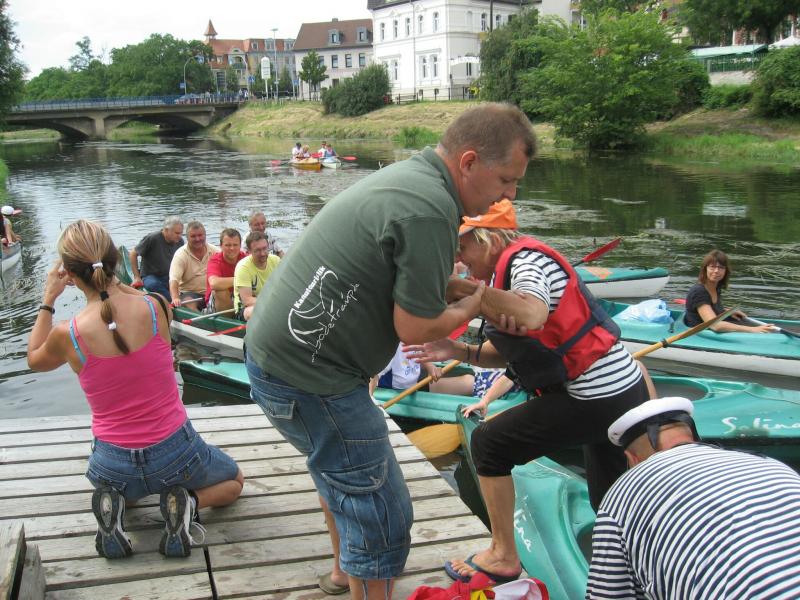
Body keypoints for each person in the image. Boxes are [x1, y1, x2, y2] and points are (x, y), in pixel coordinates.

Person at [244, 103, 536, 599]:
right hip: (310, 376)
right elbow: (415, 326)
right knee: (382, 511)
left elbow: (396, 275)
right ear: (469, 162)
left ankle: (345, 573)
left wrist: (456, 292)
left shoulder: (413, 179)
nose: (510, 194)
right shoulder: (431, 209)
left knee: (341, 476)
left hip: (277, 360)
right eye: (507, 179)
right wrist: (478, 301)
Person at [405, 199, 649, 585]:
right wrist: (459, 351)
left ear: (489, 239)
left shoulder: (526, 262)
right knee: (609, 498)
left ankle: (503, 555)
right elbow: (514, 351)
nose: (459, 257)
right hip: (616, 391)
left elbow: (532, 313)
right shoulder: (506, 274)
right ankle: (636, 566)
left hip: (594, 395)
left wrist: (468, 294)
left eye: (462, 247)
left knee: (489, 443)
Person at [26, 220, 243, 559]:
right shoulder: (156, 308)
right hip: (176, 454)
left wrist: (48, 298)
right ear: (113, 261)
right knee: (234, 481)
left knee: (124, 487)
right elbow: (139, 296)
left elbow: (34, 359)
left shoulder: (67, 334)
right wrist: (112, 280)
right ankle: (187, 502)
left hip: (112, 464)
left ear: (69, 273)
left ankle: (116, 500)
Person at [585, 396, 800, 599]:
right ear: (694, 437)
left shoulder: (622, 493)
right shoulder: (773, 465)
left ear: (632, 459)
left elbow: (608, 593)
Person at [683, 249, 775, 333]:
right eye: (712, 267)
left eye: (721, 267)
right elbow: (715, 325)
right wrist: (753, 329)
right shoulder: (699, 292)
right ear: (705, 269)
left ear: (725, 271)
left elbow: (711, 309)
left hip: (712, 330)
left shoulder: (716, 286)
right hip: (701, 335)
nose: (716, 271)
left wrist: (725, 312)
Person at [129, 216, 184, 299]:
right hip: (150, 276)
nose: (180, 236)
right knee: (153, 285)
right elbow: (133, 254)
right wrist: (137, 277)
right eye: (177, 233)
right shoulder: (152, 238)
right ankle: (172, 300)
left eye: (181, 233)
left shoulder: (180, 241)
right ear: (166, 230)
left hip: (170, 275)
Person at [168, 221, 218, 310]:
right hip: (190, 294)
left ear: (205, 235)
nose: (197, 239)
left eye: (200, 235)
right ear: (187, 238)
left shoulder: (215, 251)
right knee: (189, 301)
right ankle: (199, 318)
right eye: (193, 236)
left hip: (212, 292)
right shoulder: (180, 255)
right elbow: (174, 280)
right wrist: (175, 298)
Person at [233, 231, 280, 321]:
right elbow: (247, 300)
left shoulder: (276, 260)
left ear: (268, 246)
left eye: (264, 248)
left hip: (271, 304)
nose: (262, 253)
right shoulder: (243, 267)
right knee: (258, 311)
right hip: (246, 309)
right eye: (257, 250)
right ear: (249, 251)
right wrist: (274, 303)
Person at [205, 228, 246, 312]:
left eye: (235, 245)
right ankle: (229, 318)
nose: (232, 248)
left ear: (240, 245)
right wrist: (243, 279)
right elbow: (214, 283)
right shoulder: (215, 261)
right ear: (221, 246)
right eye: (228, 245)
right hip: (217, 302)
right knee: (220, 291)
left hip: (239, 296)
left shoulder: (246, 258)